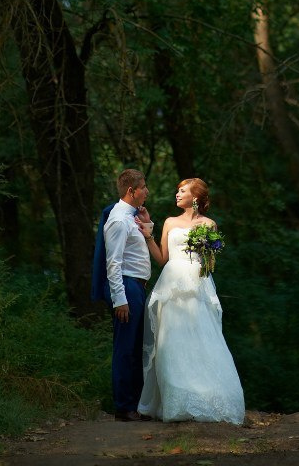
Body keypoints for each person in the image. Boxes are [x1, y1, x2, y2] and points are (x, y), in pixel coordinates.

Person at [137, 177, 245, 424]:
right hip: (172, 285)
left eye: (182, 191)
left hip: (197, 285)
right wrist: (148, 235)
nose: (177, 195)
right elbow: (162, 259)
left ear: (195, 197)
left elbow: (209, 264)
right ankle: (176, 399)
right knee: (171, 339)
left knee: (201, 337)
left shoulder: (209, 224)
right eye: (178, 191)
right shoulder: (169, 222)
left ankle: (209, 395)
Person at [99, 169, 154, 422]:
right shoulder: (119, 220)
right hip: (127, 287)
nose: (147, 191)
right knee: (125, 348)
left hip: (136, 287)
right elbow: (114, 263)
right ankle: (123, 406)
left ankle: (136, 403)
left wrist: (146, 222)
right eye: (143, 187)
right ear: (131, 190)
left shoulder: (131, 217)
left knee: (134, 347)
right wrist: (119, 299)